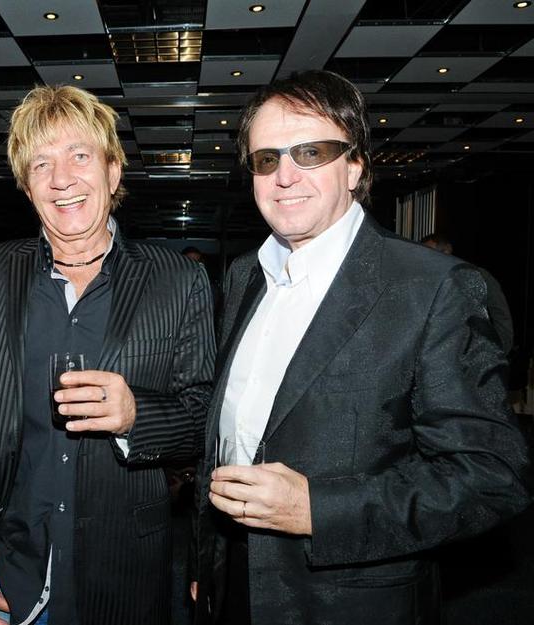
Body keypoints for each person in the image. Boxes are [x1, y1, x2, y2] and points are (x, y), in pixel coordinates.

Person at [192, 70, 531, 625]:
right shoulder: (245, 276)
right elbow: (227, 433)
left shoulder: (433, 288)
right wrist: (208, 566)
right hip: (235, 582)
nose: (285, 176)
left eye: (311, 152)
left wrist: (318, 510)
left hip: (348, 601)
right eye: (267, 159)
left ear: (355, 167)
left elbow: (492, 476)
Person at [0, 85, 216, 625]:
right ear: (27, 187)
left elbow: (204, 418)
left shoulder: (178, 280)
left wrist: (136, 415)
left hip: (124, 572)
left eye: (80, 156)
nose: (61, 178)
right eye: (41, 164)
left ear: (113, 172)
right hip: (9, 567)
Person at [420, 232, 513, 353]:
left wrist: (498, 351)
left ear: (446, 252)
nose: (425, 259)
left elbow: (501, 315)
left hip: (473, 353)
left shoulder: (477, 275)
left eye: (429, 254)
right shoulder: (425, 281)